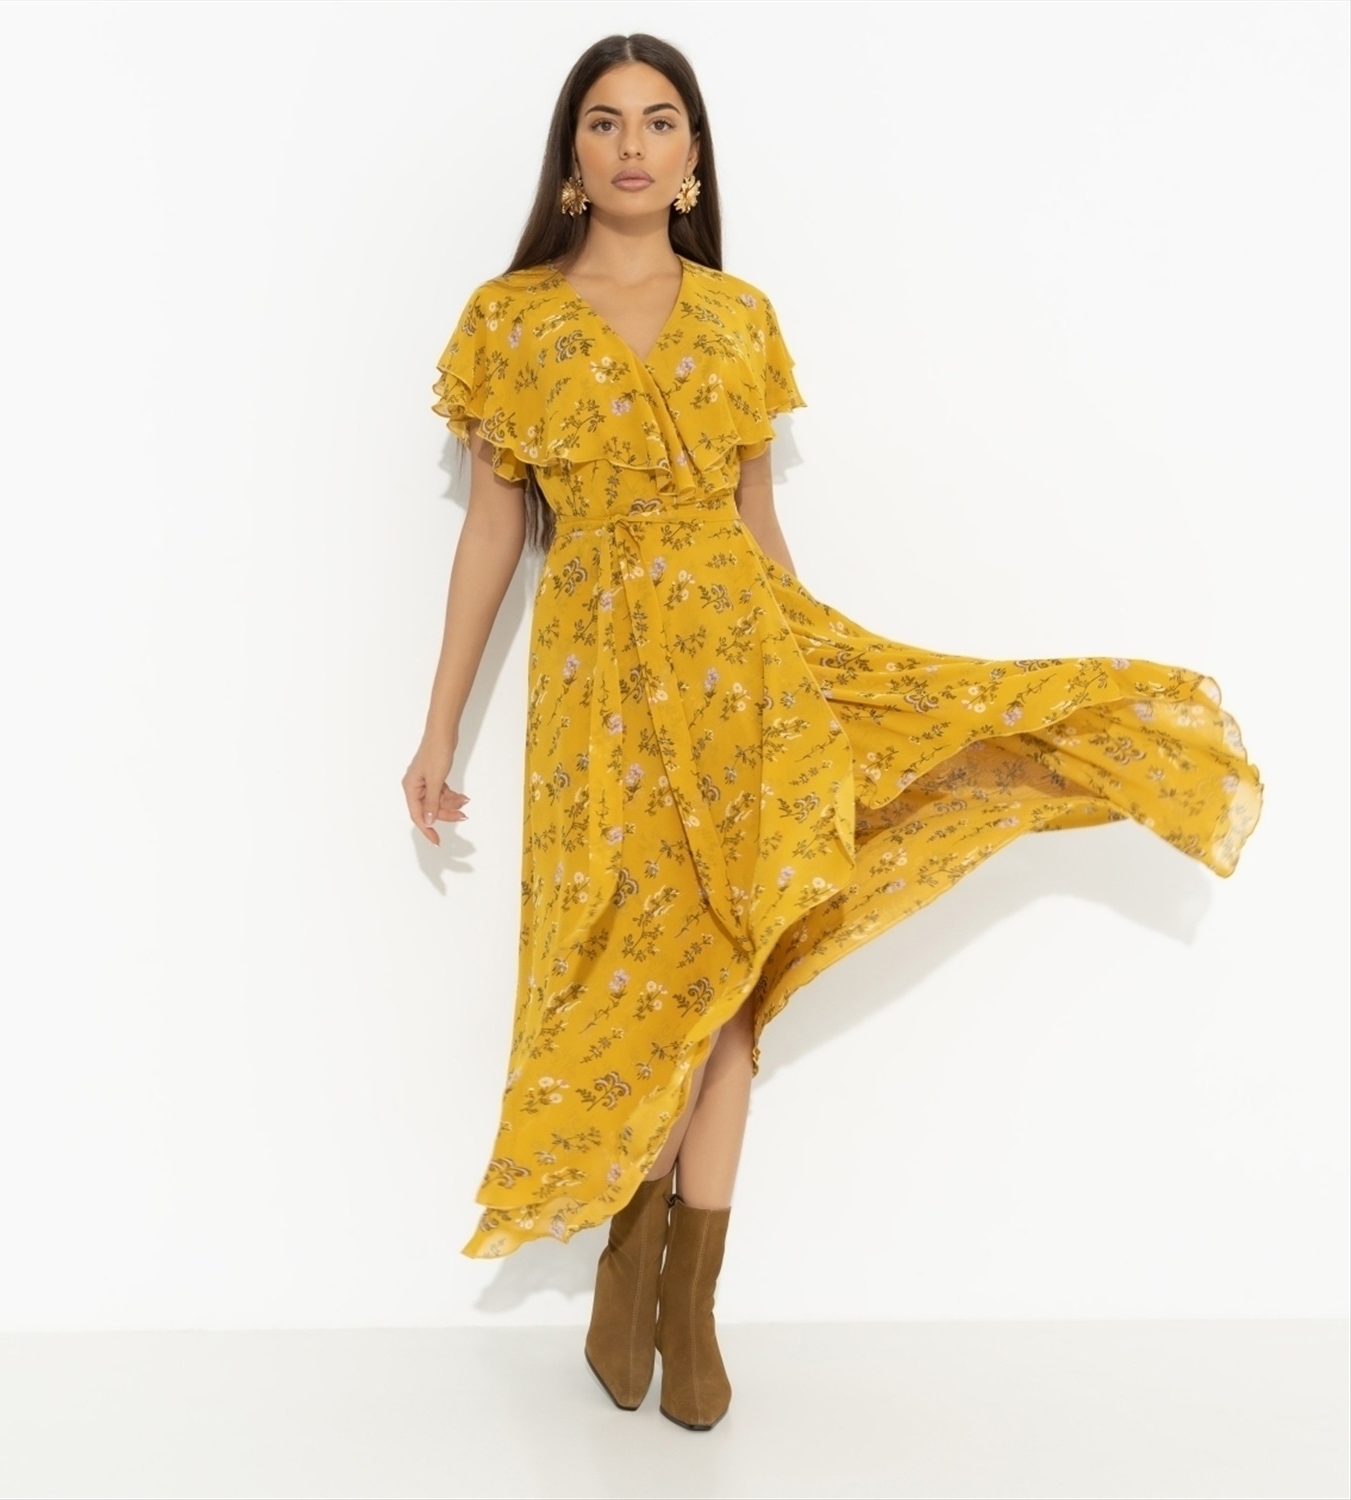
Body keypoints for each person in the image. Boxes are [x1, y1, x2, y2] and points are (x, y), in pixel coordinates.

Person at [402, 33, 1262, 1431]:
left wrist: (826, 692)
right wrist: (437, 731)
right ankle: (624, 1266)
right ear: (571, 160)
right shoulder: (509, 321)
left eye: (661, 122)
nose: (633, 145)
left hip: (745, 675)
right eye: (606, 122)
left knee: (731, 985)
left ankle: (689, 1308)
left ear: (693, 158)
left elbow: (757, 529)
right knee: (632, 983)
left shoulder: (738, 316)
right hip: (598, 698)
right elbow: (493, 535)